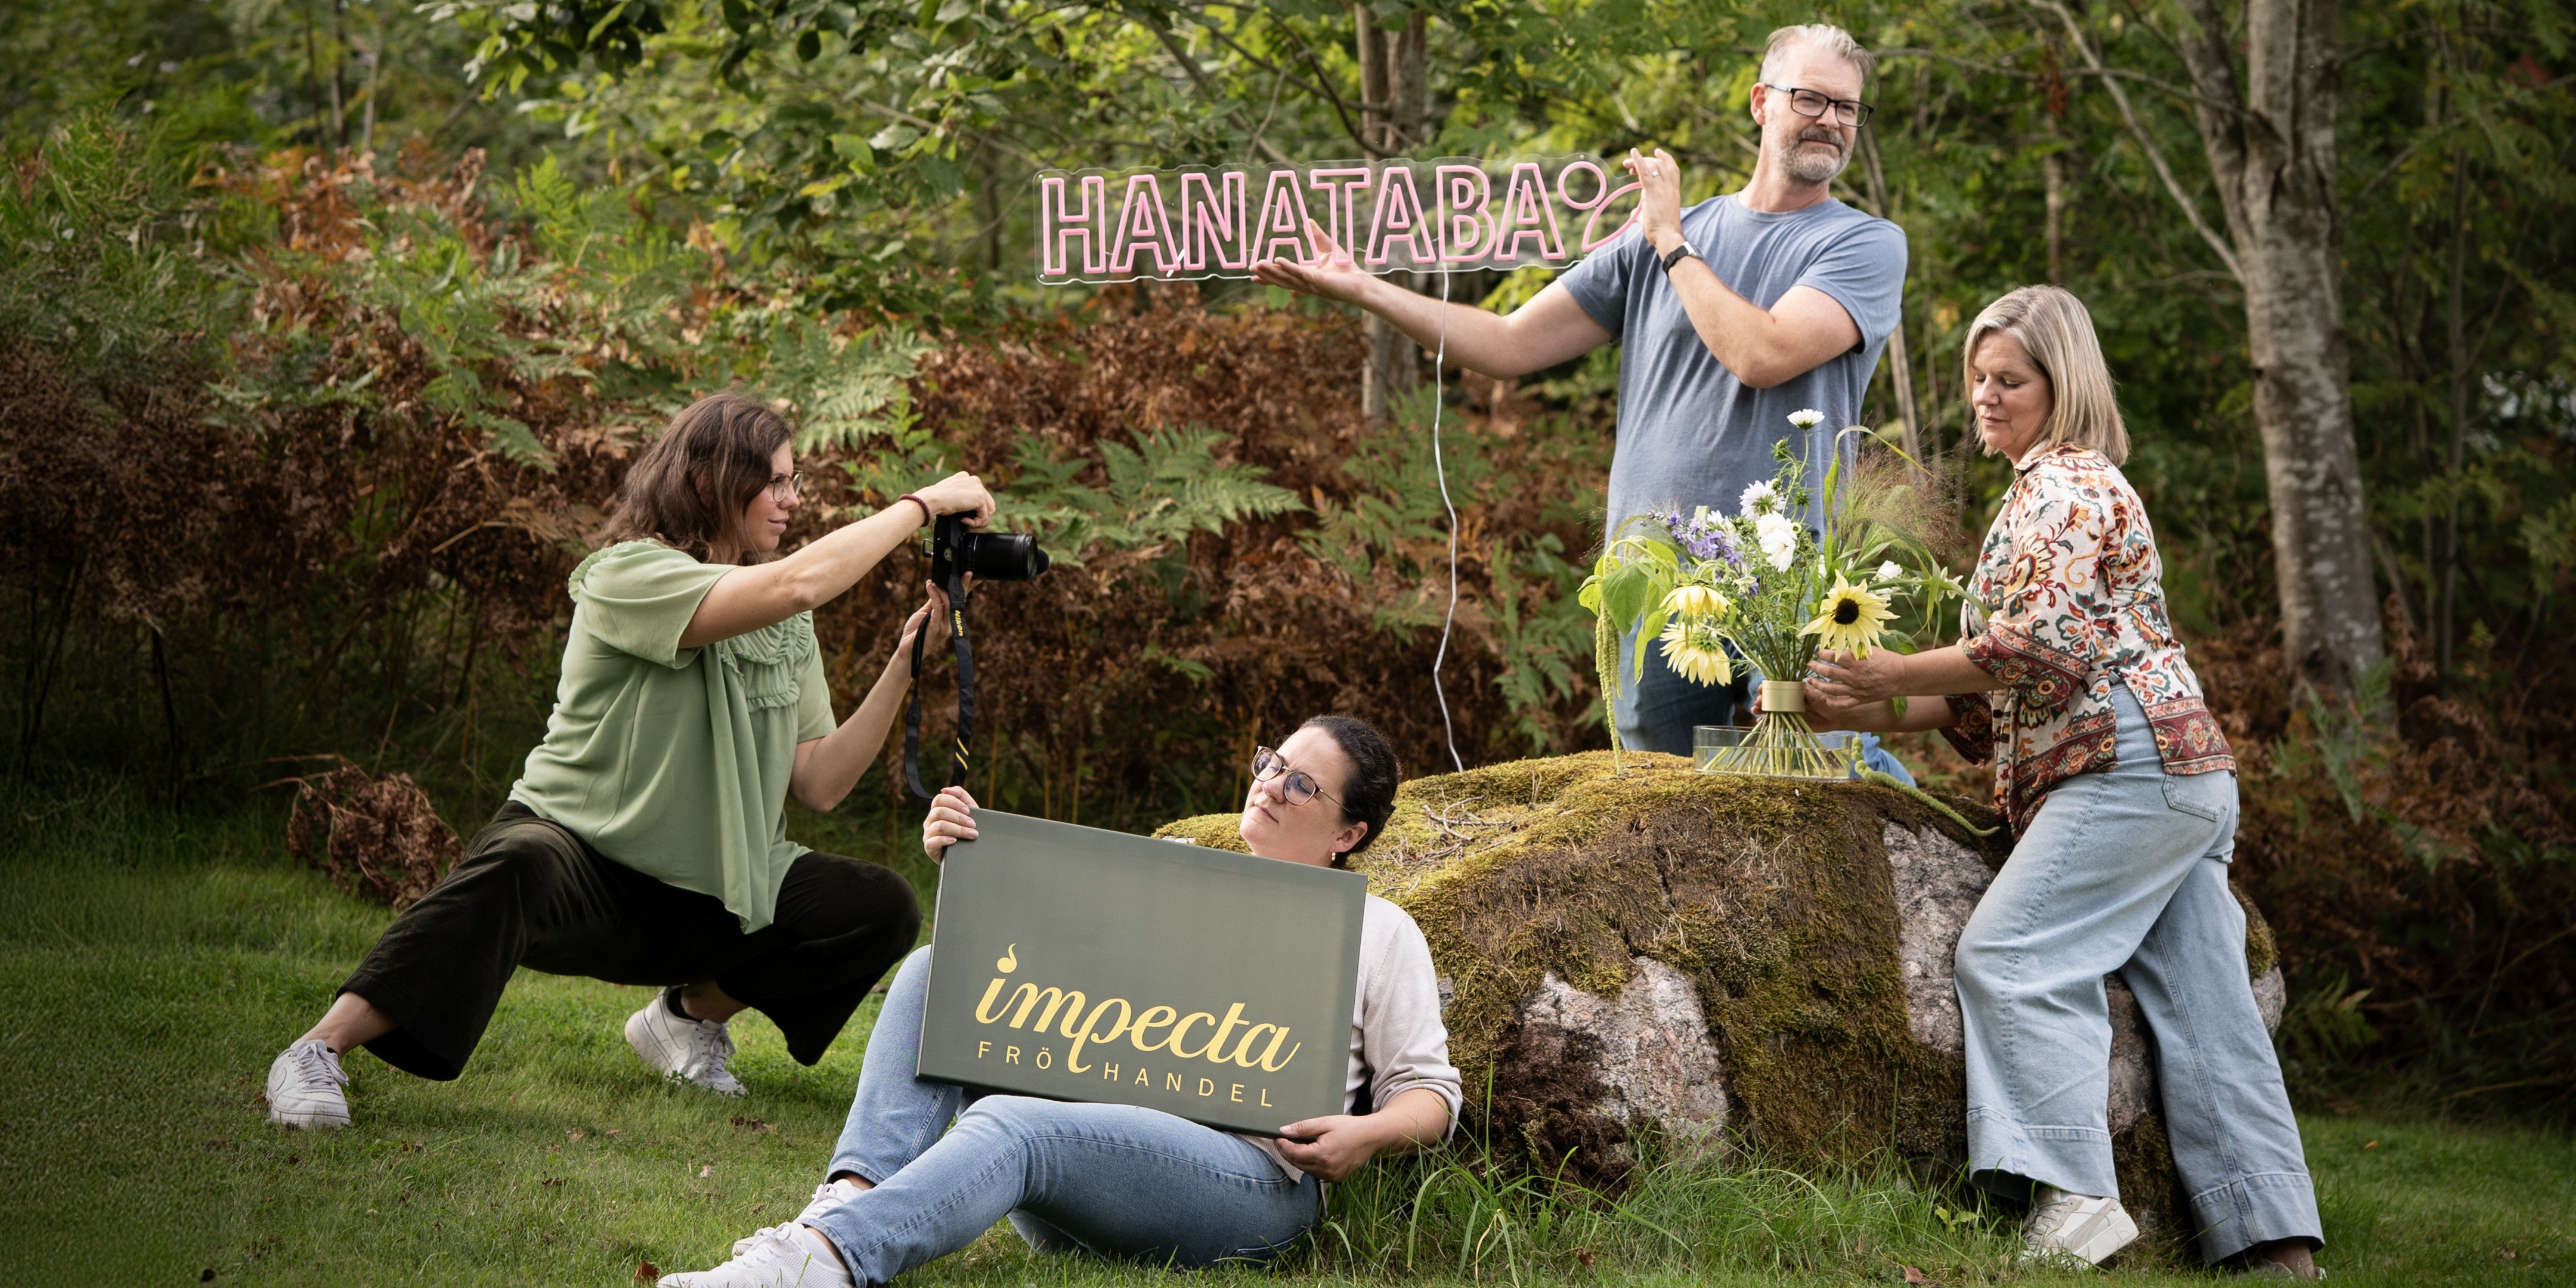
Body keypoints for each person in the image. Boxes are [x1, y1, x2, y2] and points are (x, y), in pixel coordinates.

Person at [262, 392, 998, 1128]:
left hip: (716, 890)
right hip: (581, 867)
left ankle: (684, 1019)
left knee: (879, 908)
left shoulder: (786, 621)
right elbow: (800, 579)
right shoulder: (628, 575)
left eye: (793, 481)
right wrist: (923, 504)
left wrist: (906, 662)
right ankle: (315, 1050)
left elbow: (822, 783)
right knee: (514, 861)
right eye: (774, 481)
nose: (790, 500)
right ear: (711, 482)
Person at [1801, 287, 2323, 1277]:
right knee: (2209, 1008)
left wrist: (1898, 670)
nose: (1987, 399)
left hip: (2122, 771)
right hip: (2181, 777)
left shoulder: (2066, 485)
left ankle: (2075, 1204)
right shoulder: (2052, 493)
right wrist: (1851, 704)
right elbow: (1981, 698)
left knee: (2011, 955)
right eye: (1980, 379)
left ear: (2063, 386)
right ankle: (2273, 1244)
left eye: (2013, 381)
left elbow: (2035, 648)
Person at [1253, 23, 1907, 756]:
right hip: (1654, 574)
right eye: (1812, 99)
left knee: (1828, 772)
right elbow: (1509, 345)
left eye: (1848, 108)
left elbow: (1762, 353)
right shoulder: (1667, 234)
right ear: (1761, 102)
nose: (1832, 121)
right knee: (1667, 803)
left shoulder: (1862, 244)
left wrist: (1669, 242)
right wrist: (1366, 288)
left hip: (1784, 581)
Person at [658, 716, 1460, 1288]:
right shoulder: (1176, 871)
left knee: (1013, 1123)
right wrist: (967, 860)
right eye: (1270, 762)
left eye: (1301, 782)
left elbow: (1431, 1095)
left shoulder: (1379, 932)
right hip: (1089, 1158)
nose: (1270, 785)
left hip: (1249, 1184)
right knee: (938, 971)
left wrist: (1366, 1135)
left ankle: (821, 1263)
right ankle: (847, 1203)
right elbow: (1034, 964)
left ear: (1348, 834)